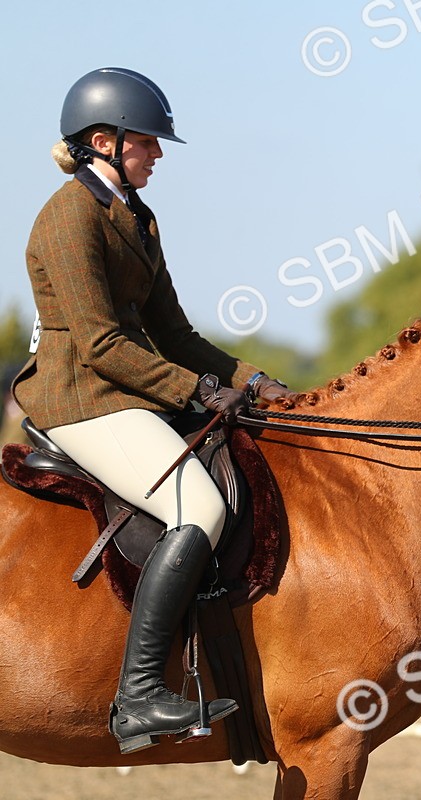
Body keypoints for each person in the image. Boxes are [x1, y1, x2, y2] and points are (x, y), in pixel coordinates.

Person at [10, 67, 295, 754]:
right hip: (81, 399)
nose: (158, 154)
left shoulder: (135, 216)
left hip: (122, 391)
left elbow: (176, 334)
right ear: (102, 141)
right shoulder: (67, 217)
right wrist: (197, 392)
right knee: (199, 507)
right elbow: (102, 343)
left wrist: (260, 384)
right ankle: (139, 695)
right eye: (147, 142)